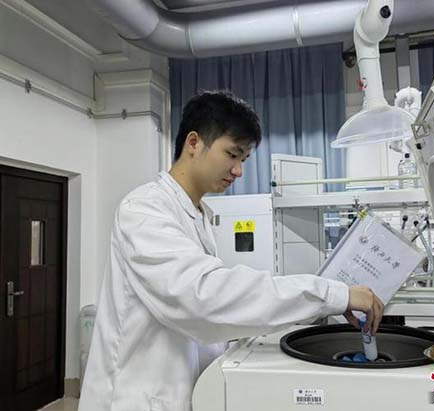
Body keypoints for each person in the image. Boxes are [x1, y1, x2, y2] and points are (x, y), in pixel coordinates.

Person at [79, 91, 384, 411]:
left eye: (244, 160)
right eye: (232, 154)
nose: (238, 171)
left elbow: (214, 307)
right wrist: (331, 294)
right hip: (135, 399)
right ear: (193, 143)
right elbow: (203, 297)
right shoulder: (144, 210)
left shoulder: (200, 215)